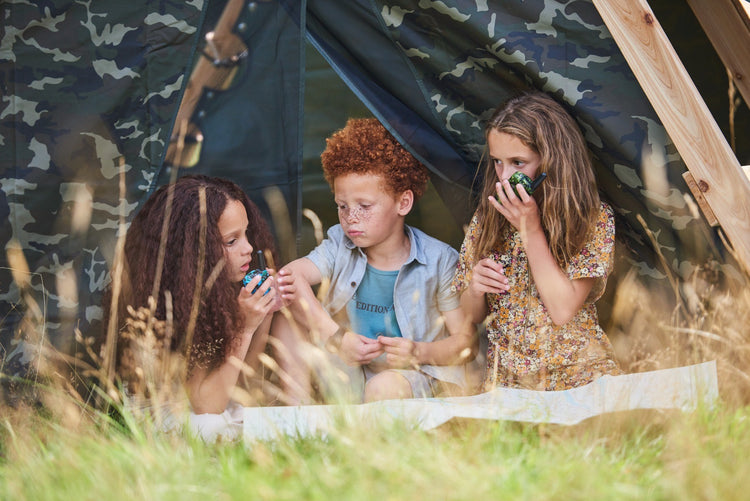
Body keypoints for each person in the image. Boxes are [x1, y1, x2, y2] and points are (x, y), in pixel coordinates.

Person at [274, 117, 476, 403]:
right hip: (349, 370)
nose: (350, 217)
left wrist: (418, 351)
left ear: (403, 203)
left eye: (364, 206)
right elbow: (288, 277)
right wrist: (337, 338)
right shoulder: (338, 245)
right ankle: (297, 417)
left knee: (383, 387)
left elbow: (467, 342)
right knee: (285, 315)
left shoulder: (440, 260)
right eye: (342, 206)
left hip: (408, 376)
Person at [452, 91, 621, 392]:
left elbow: (561, 310)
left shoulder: (592, 219)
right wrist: (476, 288)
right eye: (498, 163)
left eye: (518, 162)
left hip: (579, 377)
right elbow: (472, 316)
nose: (504, 177)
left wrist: (531, 231)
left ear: (551, 161)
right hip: (507, 384)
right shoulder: (488, 218)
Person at [102, 174, 287, 415]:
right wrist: (246, 328)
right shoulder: (175, 308)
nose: (249, 248)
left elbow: (241, 384)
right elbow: (207, 407)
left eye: (246, 234)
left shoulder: (218, 296)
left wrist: (265, 313)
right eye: (231, 241)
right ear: (195, 251)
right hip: (169, 425)